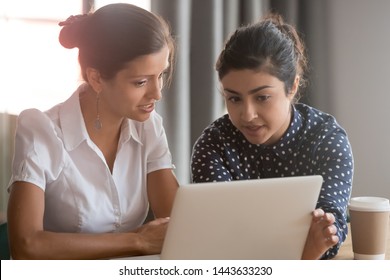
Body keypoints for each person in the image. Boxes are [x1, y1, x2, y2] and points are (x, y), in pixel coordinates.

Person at [7, 3, 179, 259]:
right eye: (141, 82)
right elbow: (27, 246)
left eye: (161, 75)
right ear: (96, 78)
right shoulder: (41, 130)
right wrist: (137, 241)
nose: (157, 93)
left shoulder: (148, 127)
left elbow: (177, 223)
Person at [191, 14, 353, 260]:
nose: (247, 115)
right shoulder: (214, 145)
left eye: (262, 97)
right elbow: (222, 239)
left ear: (293, 87)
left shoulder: (326, 138)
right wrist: (303, 254)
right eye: (234, 98)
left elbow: (329, 236)